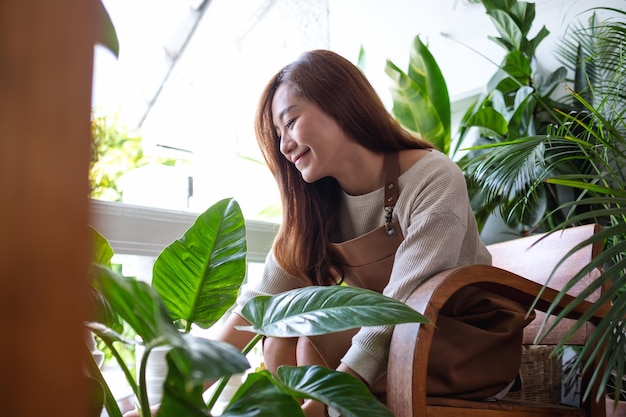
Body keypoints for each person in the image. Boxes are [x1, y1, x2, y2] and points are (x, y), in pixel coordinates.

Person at [125, 49, 531, 417]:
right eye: (278, 136)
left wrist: (331, 400)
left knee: (310, 340)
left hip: (466, 344)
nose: (284, 146)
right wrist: (165, 406)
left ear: (340, 103)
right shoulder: (317, 208)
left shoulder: (431, 177)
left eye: (291, 122)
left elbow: (404, 302)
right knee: (279, 340)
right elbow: (256, 307)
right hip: (390, 348)